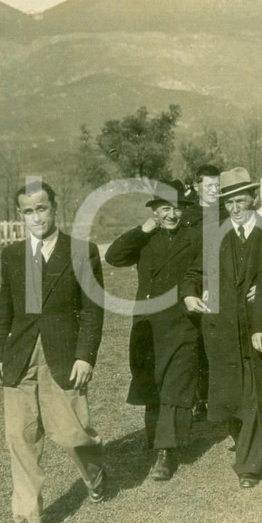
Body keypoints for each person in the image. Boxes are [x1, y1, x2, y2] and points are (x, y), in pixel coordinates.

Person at [0, 180, 106, 523]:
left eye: (42, 208)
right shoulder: (12, 256)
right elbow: (5, 308)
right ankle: (27, 513)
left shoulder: (81, 251)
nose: (36, 216)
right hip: (20, 357)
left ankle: (96, 476)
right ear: (20, 215)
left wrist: (85, 355)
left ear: (55, 208)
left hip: (63, 355)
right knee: (19, 437)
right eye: (28, 211)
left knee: (73, 433)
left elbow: (92, 311)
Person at [183, 167, 262, 488]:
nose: (235, 209)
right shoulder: (216, 236)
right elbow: (193, 273)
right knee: (231, 396)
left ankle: (249, 465)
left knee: (251, 392)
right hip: (220, 330)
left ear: (253, 200)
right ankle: (243, 441)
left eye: (241, 201)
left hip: (255, 325)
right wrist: (189, 294)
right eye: (230, 203)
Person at [104, 181, 203, 481]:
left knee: (176, 384)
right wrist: (143, 230)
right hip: (147, 324)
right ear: (154, 212)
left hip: (181, 322)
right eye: (164, 209)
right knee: (151, 381)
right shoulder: (146, 239)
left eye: (175, 209)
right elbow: (113, 257)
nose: (170, 215)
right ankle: (154, 438)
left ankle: (166, 452)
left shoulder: (194, 238)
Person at [182, 164, 221, 419]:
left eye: (217, 186)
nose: (213, 191)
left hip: (216, 283)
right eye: (208, 186)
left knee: (214, 342)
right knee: (192, 342)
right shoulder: (187, 216)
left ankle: (211, 396)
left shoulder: (226, 214)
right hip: (190, 283)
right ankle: (196, 398)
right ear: (196, 187)